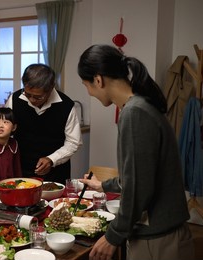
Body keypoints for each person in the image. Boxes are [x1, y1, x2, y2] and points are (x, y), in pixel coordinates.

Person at [77, 44, 194, 260]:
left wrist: (114, 235)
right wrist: (103, 185)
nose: (89, 92)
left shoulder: (134, 113)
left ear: (98, 80)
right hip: (163, 235)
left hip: (158, 240)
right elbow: (141, 174)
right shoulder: (142, 104)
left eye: (87, 85)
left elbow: (139, 188)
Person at [2, 64, 82, 184]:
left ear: (51, 88)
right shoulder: (15, 99)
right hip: (21, 170)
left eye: (38, 97)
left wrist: (51, 159)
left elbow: (74, 142)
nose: (32, 100)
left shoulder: (66, 106)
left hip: (56, 173)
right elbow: (6, 126)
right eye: (28, 94)